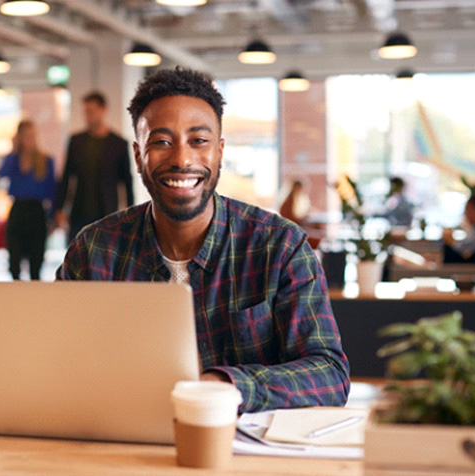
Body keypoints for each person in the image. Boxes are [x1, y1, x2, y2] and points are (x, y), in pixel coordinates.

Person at [56, 67, 349, 413]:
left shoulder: (281, 246)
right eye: (162, 142)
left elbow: (329, 374)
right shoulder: (93, 251)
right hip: (124, 448)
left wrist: (224, 385)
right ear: (138, 156)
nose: (182, 159)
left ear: (220, 151)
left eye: (198, 141)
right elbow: (56, 361)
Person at [54, 91, 135, 244]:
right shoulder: (76, 141)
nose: (87, 116)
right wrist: (60, 208)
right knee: (77, 255)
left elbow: (126, 182)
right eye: (85, 112)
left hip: (107, 212)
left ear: (103, 109)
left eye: (91, 111)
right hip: (79, 212)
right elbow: (66, 177)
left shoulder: (118, 144)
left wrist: (131, 215)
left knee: (105, 258)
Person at [0, 119, 57, 280]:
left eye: (31, 135)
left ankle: (34, 301)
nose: (28, 140)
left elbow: (52, 192)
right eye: (24, 136)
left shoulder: (45, 161)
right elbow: (1, 173)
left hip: (36, 212)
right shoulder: (14, 160)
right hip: (18, 211)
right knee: (14, 262)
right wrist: (14, 150)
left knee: (36, 263)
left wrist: (52, 218)